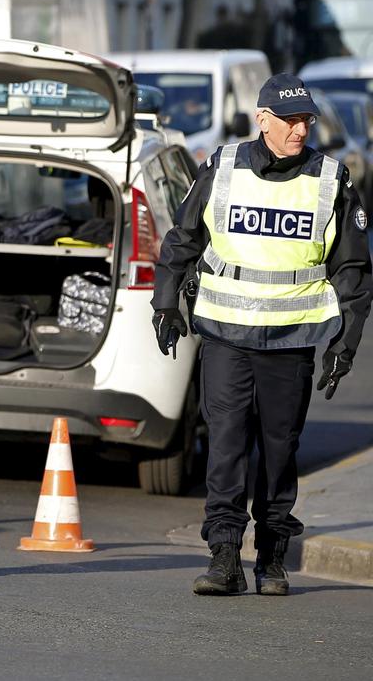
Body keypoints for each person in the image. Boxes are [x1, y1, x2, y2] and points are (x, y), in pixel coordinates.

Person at [152, 73, 371, 597]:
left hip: (290, 342)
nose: (301, 130)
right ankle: (224, 557)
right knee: (225, 449)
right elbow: (182, 239)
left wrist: (345, 341)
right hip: (226, 338)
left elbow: (354, 271)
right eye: (291, 120)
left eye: (307, 120)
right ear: (264, 120)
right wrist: (166, 304)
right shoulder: (222, 169)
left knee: (279, 452)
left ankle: (271, 559)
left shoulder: (330, 180)